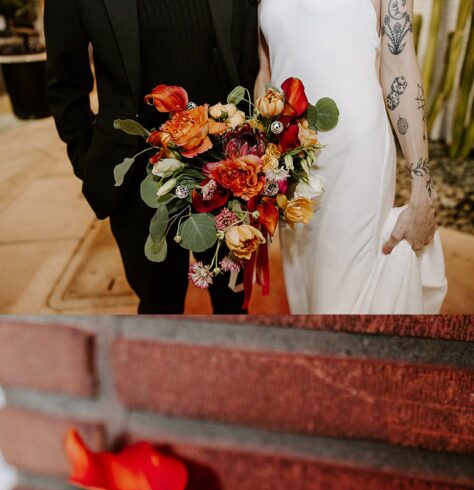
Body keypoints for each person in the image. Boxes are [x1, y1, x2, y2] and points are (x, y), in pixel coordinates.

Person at [44, 0, 259, 314]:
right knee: (159, 308)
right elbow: (65, 86)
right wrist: (89, 160)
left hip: (226, 171)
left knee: (233, 303)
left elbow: (246, 60)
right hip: (138, 182)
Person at [258, 0, 448, 314]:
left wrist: (422, 185)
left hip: (356, 153)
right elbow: (266, 72)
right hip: (291, 161)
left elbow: (398, 64)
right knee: (305, 294)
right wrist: (257, 167)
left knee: (340, 301)